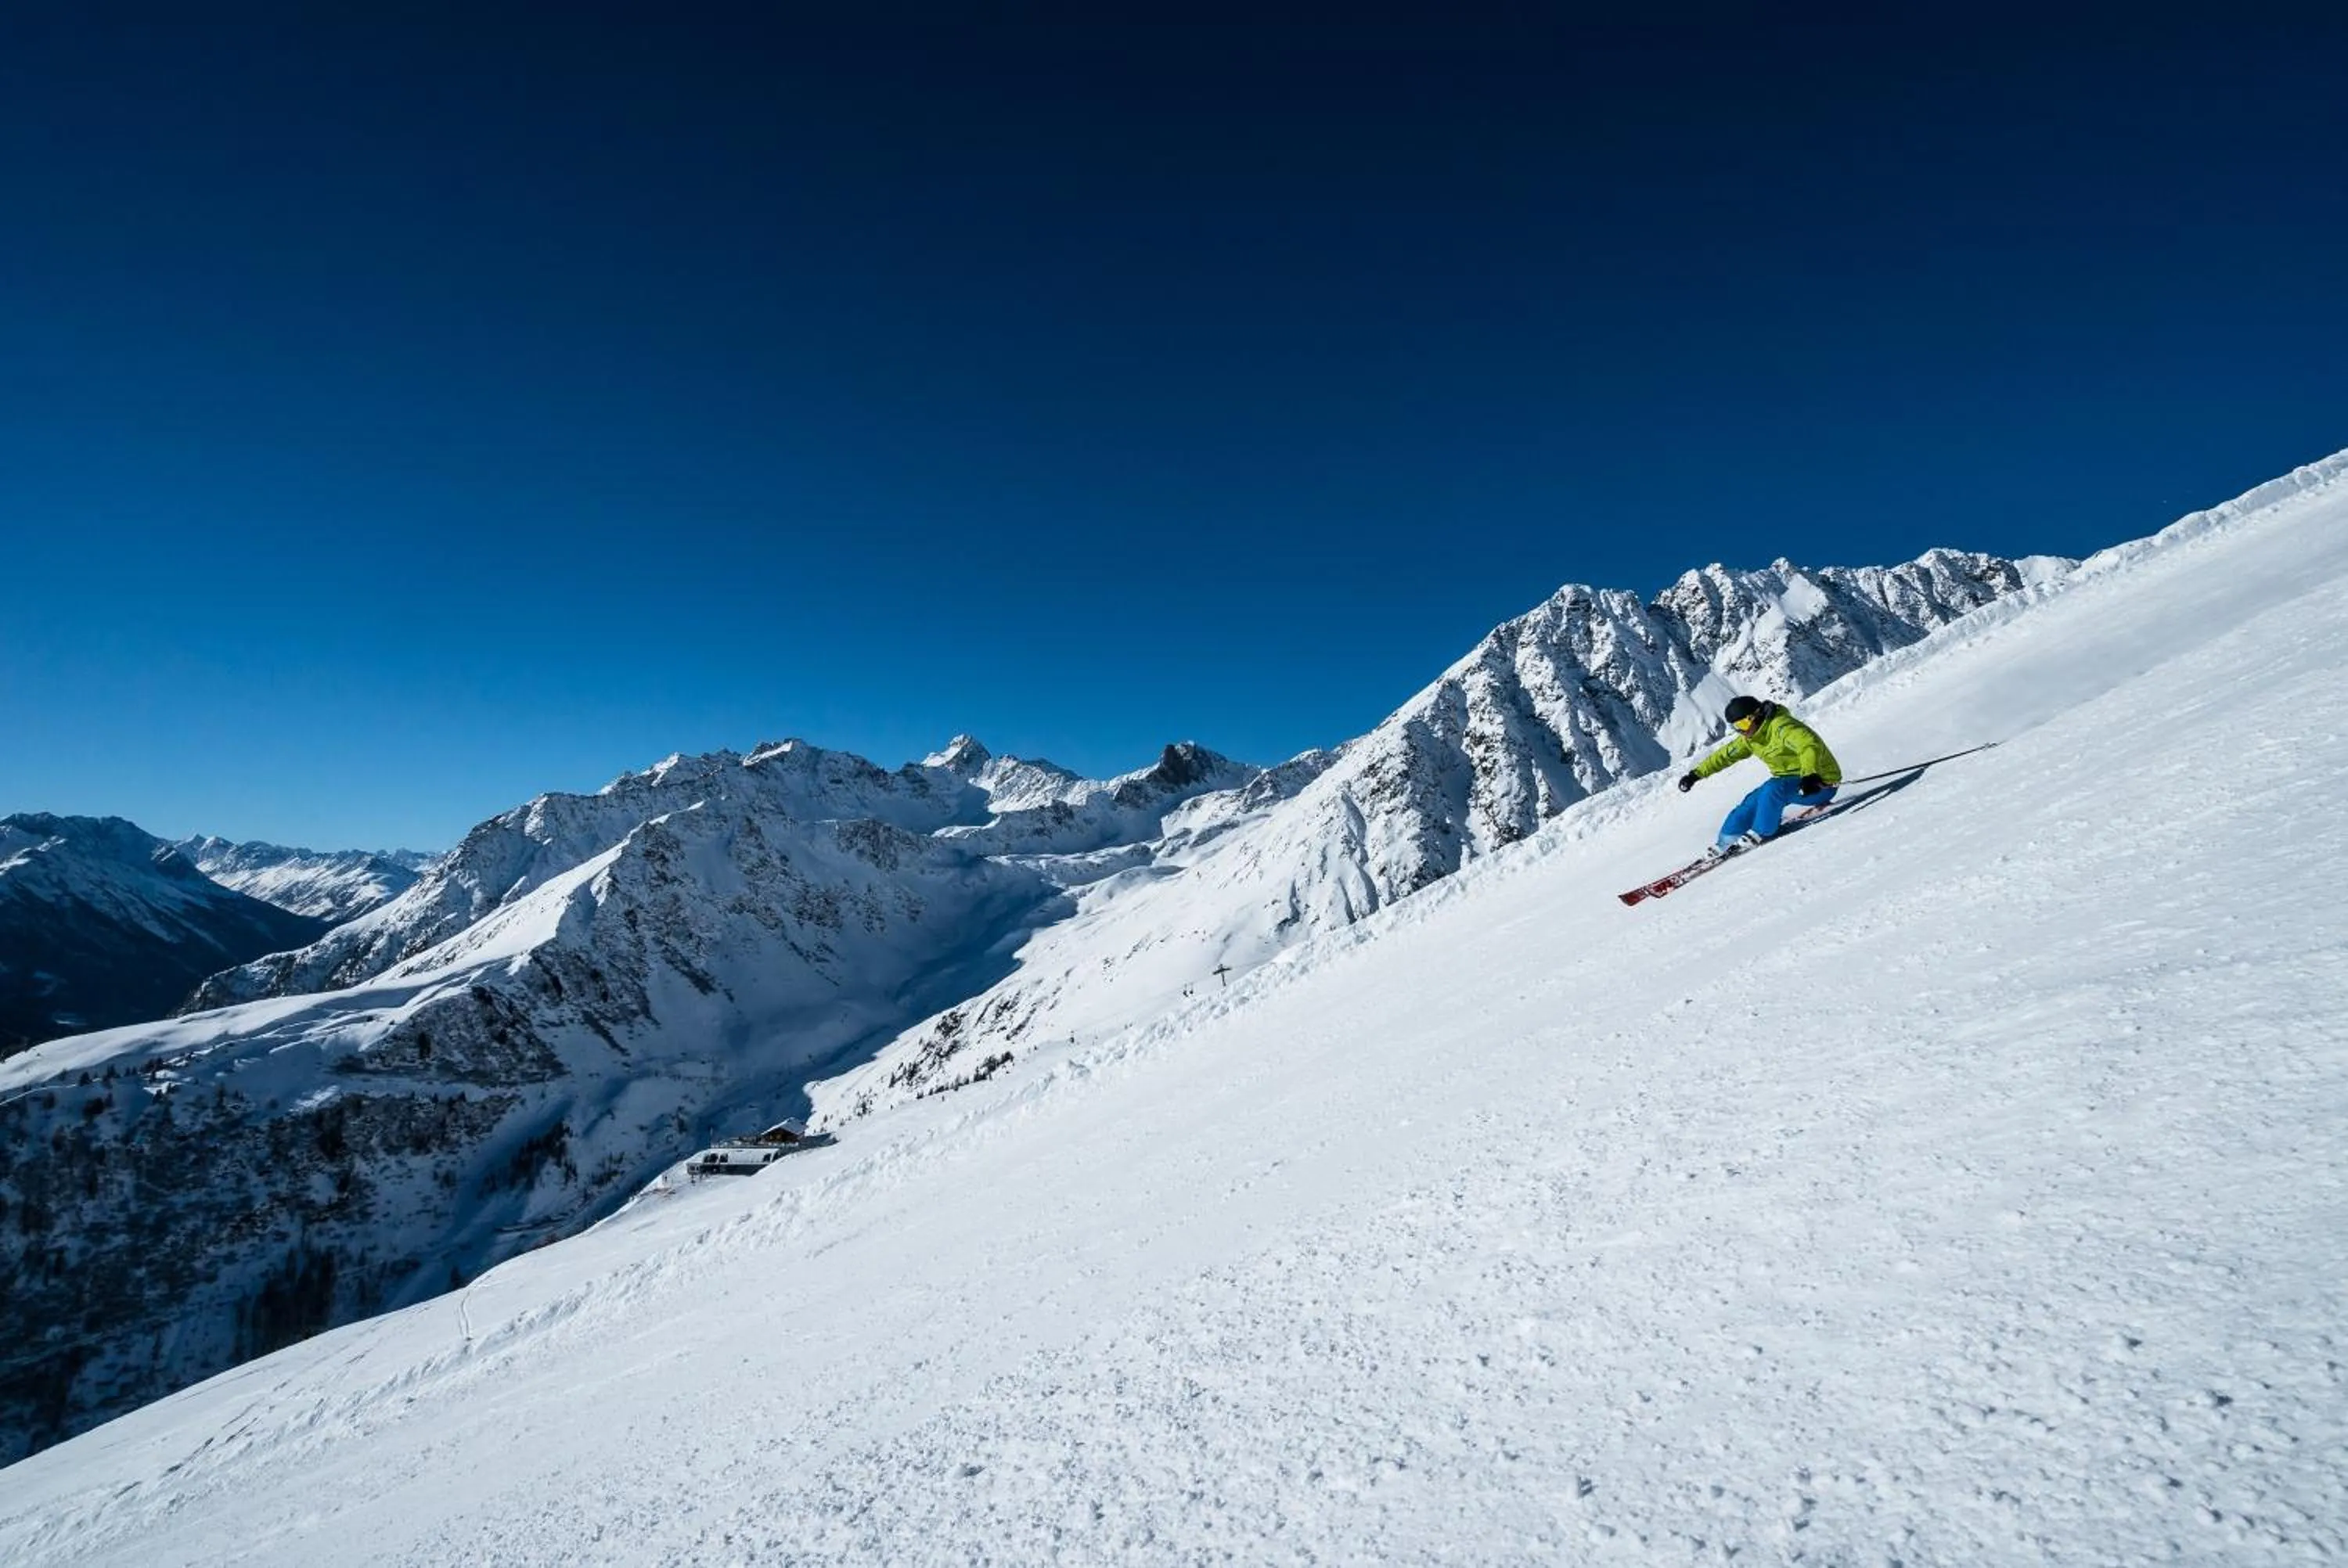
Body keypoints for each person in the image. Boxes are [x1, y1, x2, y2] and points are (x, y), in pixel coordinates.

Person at [1676, 695, 1842, 856]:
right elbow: (1725, 755)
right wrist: (1695, 775)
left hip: (1819, 784)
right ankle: (1726, 841)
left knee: (1772, 789)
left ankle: (1761, 832)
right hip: (1788, 783)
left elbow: (1808, 746)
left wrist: (1810, 775)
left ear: (1755, 716)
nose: (1741, 730)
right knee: (1752, 801)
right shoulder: (1752, 738)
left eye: (1743, 723)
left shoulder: (1782, 727)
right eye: (1736, 726)